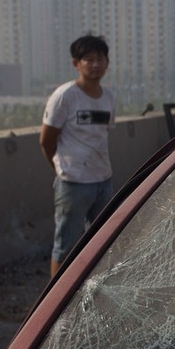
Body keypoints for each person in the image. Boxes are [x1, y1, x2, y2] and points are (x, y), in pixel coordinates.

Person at [40, 34, 116, 277]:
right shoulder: (65, 96)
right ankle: (58, 297)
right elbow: (46, 140)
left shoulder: (108, 97)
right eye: (89, 59)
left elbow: (102, 135)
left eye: (100, 59)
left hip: (103, 181)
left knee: (101, 243)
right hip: (73, 183)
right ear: (76, 63)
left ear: (107, 62)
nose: (96, 64)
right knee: (66, 247)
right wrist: (61, 169)